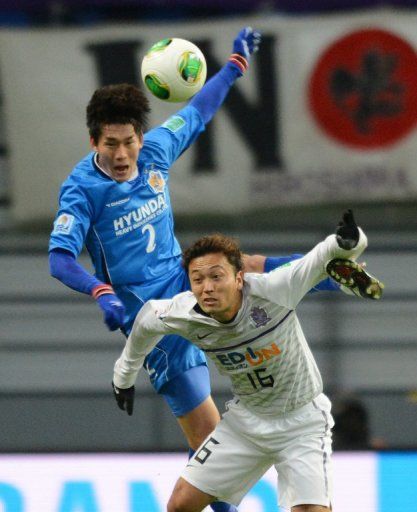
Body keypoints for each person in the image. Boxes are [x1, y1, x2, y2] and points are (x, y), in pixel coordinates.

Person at [49, 26, 340, 512]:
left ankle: (330, 271)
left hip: (187, 278)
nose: (122, 156)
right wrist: (101, 291)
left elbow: (198, 112)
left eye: (129, 142)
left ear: (141, 136)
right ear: (93, 140)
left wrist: (235, 66)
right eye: (110, 145)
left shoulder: (155, 152)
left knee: (237, 265)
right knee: (209, 443)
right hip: (154, 311)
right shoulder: (81, 190)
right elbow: (59, 258)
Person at [112, 210, 384, 512]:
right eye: (198, 279)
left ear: (239, 277)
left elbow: (320, 258)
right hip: (246, 423)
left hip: (301, 423)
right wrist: (123, 378)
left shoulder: (274, 290)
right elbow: (146, 322)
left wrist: (349, 241)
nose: (207, 287)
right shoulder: (183, 312)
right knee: (180, 505)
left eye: (217, 276)